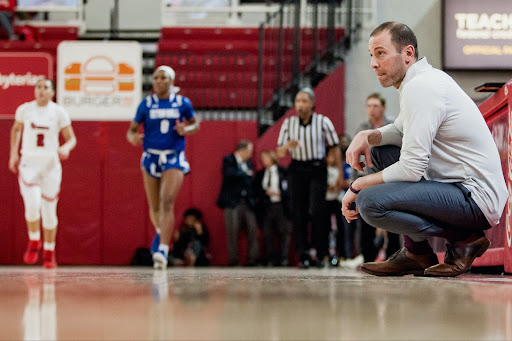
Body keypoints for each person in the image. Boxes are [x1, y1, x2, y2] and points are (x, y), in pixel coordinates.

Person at [342, 21, 508, 277]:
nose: (373, 63)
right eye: (371, 56)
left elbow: (411, 168)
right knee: (380, 151)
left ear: (408, 54)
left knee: (370, 202)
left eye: (381, 53)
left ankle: (465, 239)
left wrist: (357, 186)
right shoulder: (418, 81)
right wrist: (367, 135)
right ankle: (416, 252)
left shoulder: (422, 87)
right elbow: (399, 131)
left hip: (474, 197)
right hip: (457, 190)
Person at [127, 65, 199, 270]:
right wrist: (133, 138)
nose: (159, 80)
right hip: (150, 156)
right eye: (156, 77)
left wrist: (186, 129)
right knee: (155, 206)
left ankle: (163, 250)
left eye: (163, 77)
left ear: (171, 81)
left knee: (167, 201)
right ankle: (162, 233)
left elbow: (196, 124)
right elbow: (131, 131)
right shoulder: (146, 104)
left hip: (173, 156)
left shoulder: (182, 103)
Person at [9, 78, 77, 269]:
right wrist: (13, 153)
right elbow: (15, 130)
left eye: (45, 87)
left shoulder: (58, 112)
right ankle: (34, 240)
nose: (40, 90)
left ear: (52, 92)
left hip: (50, 164)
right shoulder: (25, 109)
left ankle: (49, 251)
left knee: (49, 211)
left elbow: (72, 139)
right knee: (32, 204)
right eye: (38, 87)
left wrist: (66, 147)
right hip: (29, 162)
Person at [277, 87, 342, 268]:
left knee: (318, 210)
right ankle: (303, 254)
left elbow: (334, 147)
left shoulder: (322, 122)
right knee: (299, 212)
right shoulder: (288, 123)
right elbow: (279, 152)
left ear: (312, 103)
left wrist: (339, 174)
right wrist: (287, 146)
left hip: (317, 168)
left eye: (304, 101)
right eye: (298, 101)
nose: (300, 104)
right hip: (297, 168)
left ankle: (321, 253)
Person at [353, 93, 400, 263]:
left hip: (388, 178)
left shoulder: (393, 124)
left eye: (375, 106)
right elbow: (355, 156)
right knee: (364, 218)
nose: (371, 110)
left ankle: (393, 256)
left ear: (383, 108)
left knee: (393, 218)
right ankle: (367, 258)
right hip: (367, 178)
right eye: (369, 106)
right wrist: (354, 183)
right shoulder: (361, 128)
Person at [217, 140, 259, 266]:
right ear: (242, 150)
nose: (250, 154)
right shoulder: (228, 160)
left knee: (252, 231)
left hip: (247, 202)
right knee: (232, 233)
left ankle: (252, 260)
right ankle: (233, 261)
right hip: (232, 202)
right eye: (249, 151)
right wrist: (245, 174)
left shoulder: (249, 163)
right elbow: (229, 174)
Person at [255, 150, 290, 266]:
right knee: (267, 233)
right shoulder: (261, 174)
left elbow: (290, 189)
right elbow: (256, 190)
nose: (264, 161)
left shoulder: (283, 172)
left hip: (281, 206)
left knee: (284, 232)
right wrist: (266, 192)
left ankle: (283, 259)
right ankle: (271, 259)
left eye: (266, 158)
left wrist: (281, 194)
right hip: (267, 207)